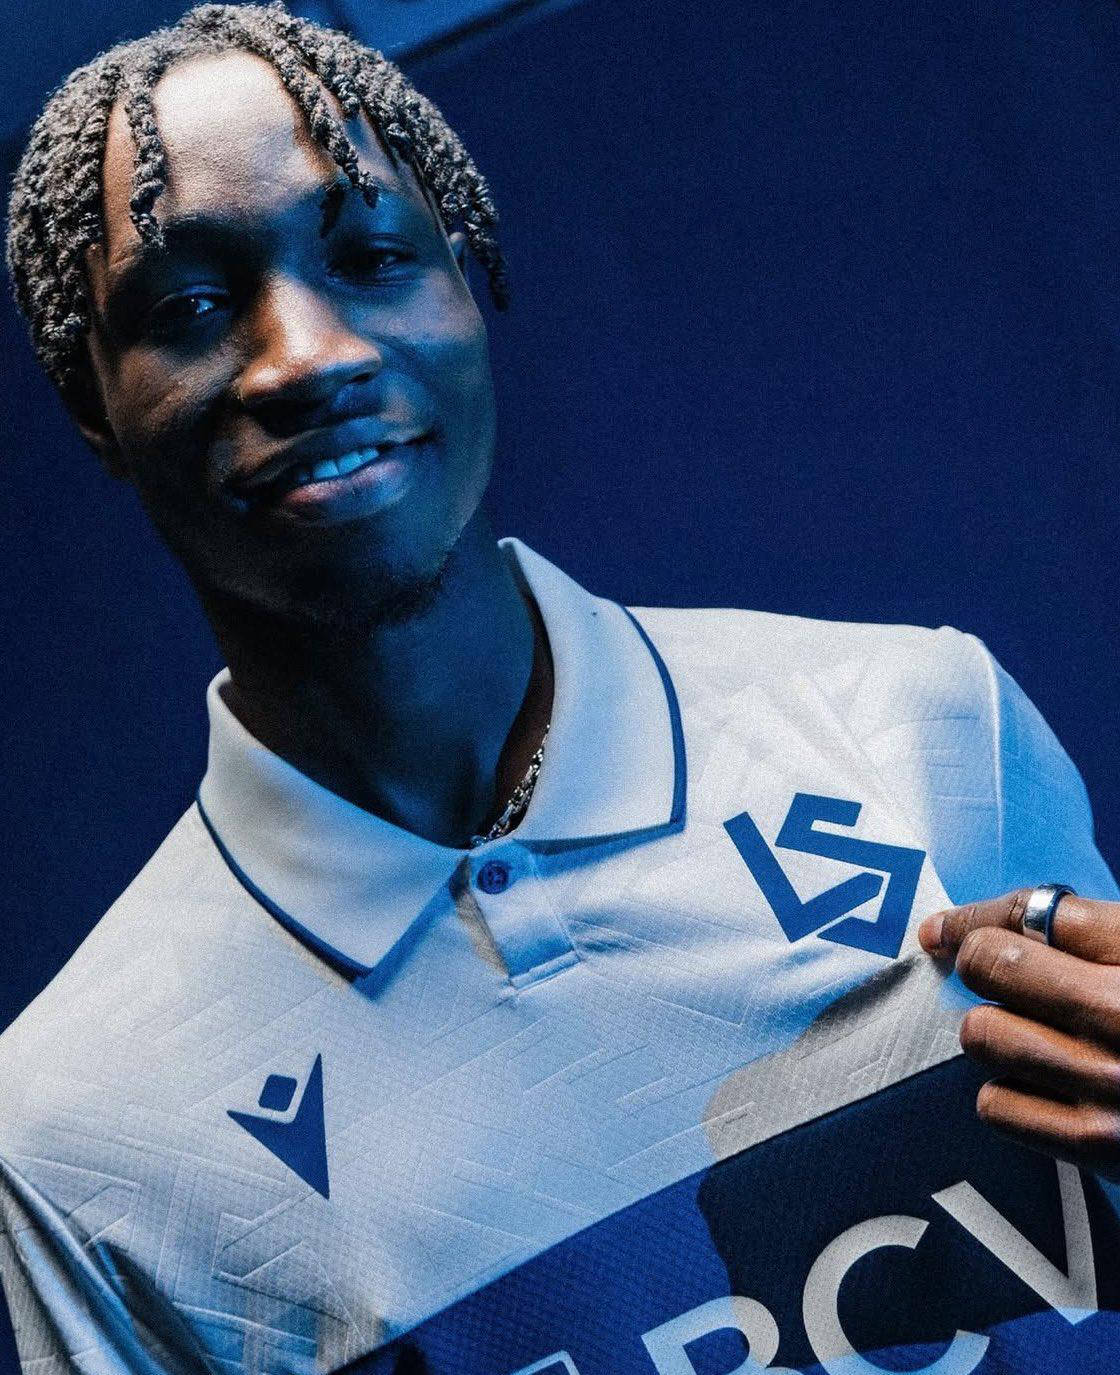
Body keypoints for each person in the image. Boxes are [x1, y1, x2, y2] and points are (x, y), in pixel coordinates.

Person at [1, 4, 1119, 1372]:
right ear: (92, 402)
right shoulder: (74, 1134)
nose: (308, 356)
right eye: (188, 307)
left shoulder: (916, 724)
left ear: (467, 288)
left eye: (373, 257)